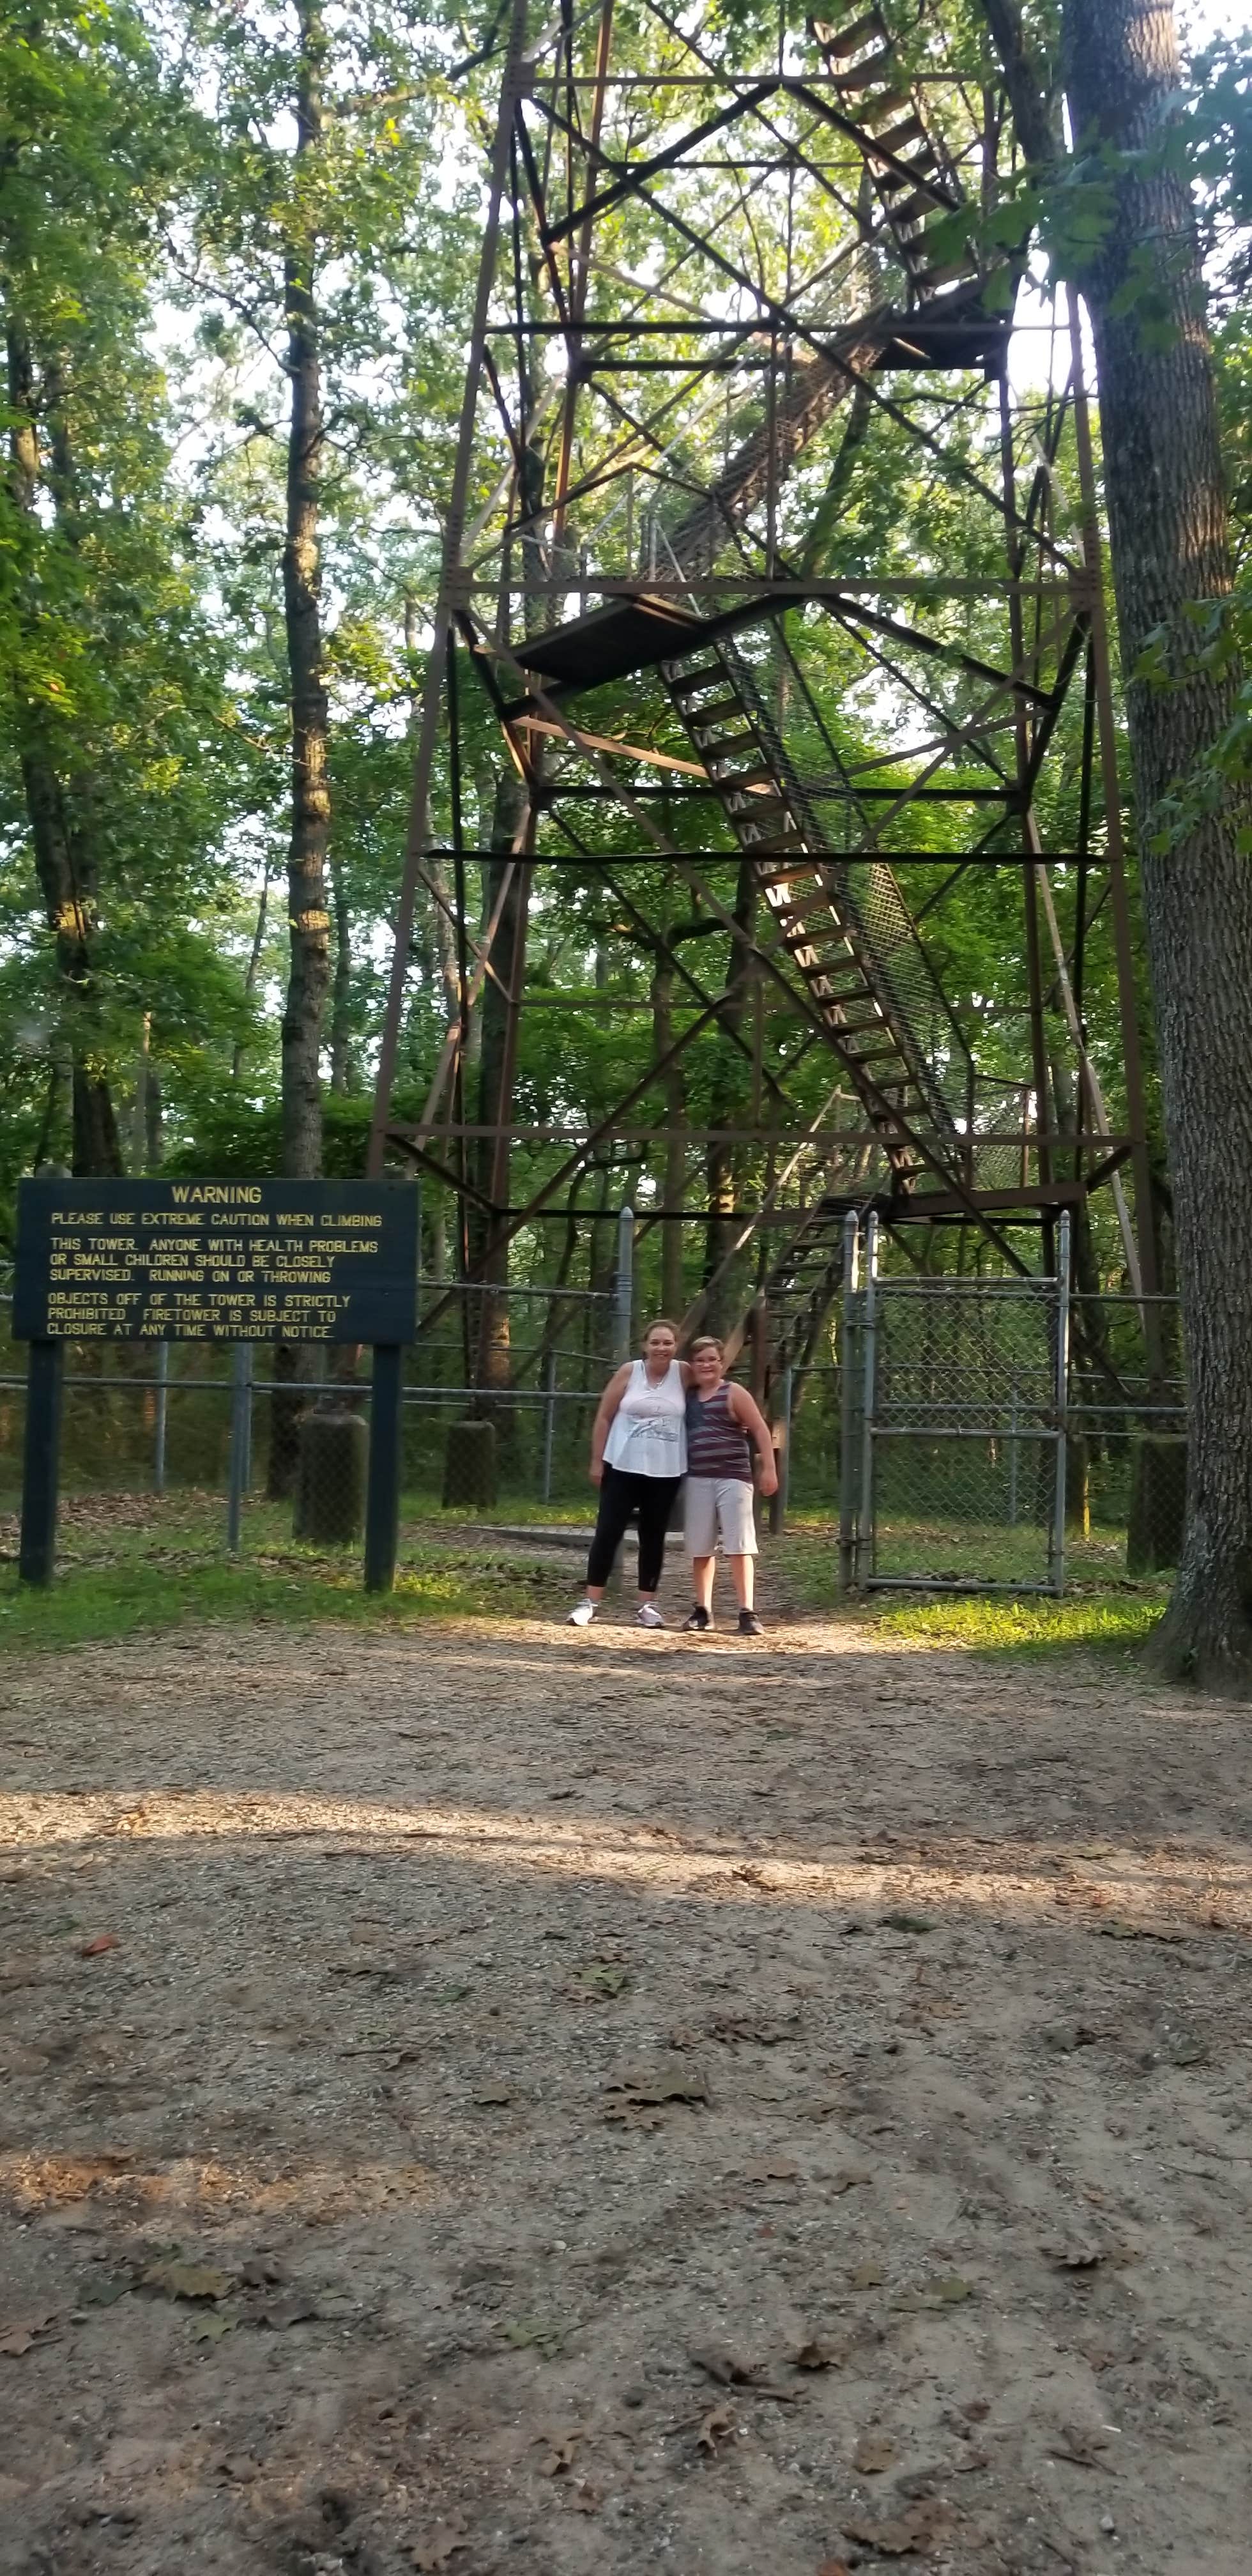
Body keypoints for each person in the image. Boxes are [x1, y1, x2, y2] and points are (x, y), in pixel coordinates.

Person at [567, 1319, 688, 1629]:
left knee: (653, 1537)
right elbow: (605, 1416)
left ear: (676, 1345)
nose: (662, 1348)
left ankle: (647, 1604)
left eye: (668, 1343)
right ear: (645, 1345)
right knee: (608, 1532)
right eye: (656, 1342)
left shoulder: (685, 1373)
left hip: (666, 1471)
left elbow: (716, 1386)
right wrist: (597, 1461)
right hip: (622, 1465)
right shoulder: (629, 1372)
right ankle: (590, 1601)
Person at [681, 1335, 777, 1636]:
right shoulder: (688, 1397)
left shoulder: (733, 1392)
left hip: (733, 1477)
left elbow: (760, 1429)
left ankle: (747, 1611)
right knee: (701, 1548)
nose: (706, 1365)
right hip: (697, 1478)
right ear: (692, 1365)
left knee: (739, 1545)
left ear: (722, 1363)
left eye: (712, 1359)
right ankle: (703, 1610)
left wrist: (769, 1469)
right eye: (700, 1360)